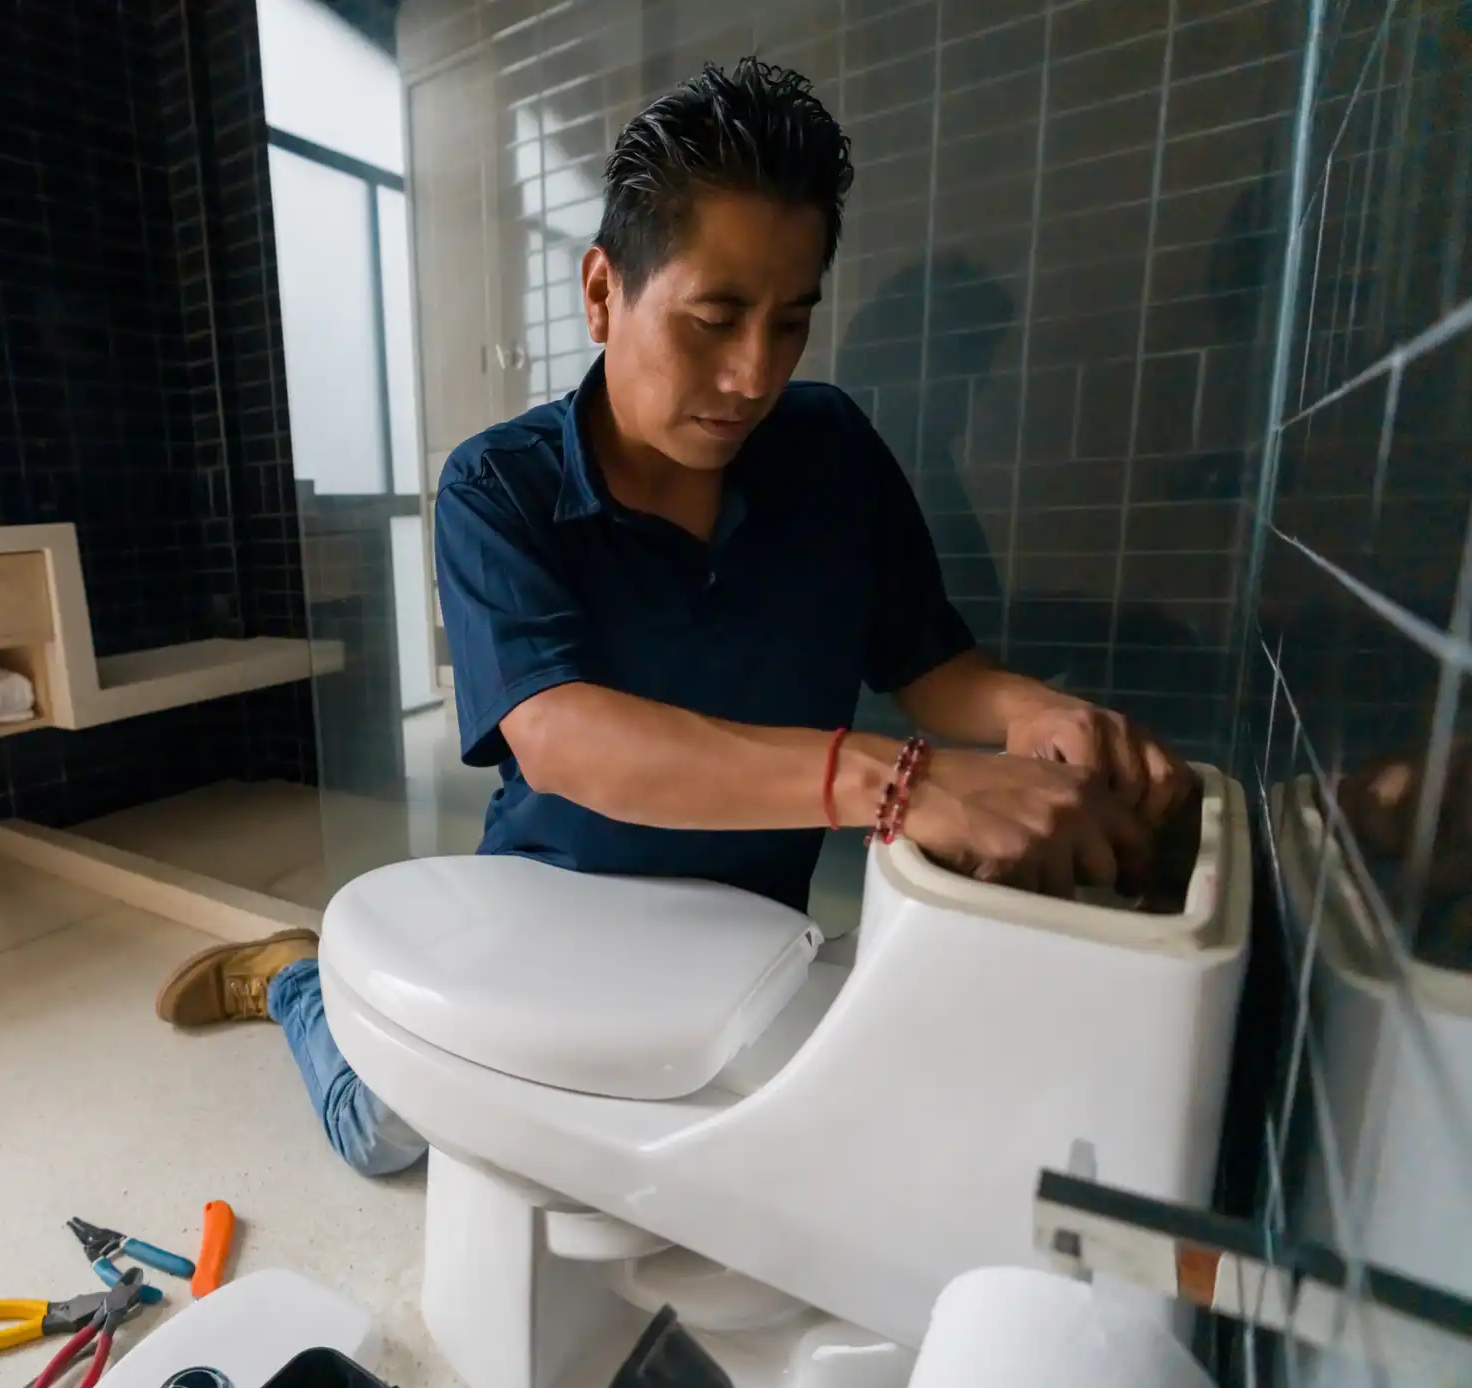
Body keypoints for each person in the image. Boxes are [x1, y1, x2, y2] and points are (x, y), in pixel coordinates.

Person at [154, 58, 1196, 1177]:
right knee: (388, 1135)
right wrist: (900, 781)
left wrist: (1036, 711)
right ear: (603, 292)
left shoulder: (833, 449)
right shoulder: (496, 489)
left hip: (746, 934)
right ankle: (304, 978)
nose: (755, 374)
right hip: (547, 907)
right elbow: (559, 739)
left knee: (708, 1153)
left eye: (790, 323)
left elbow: (931, 663)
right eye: (715, 318)